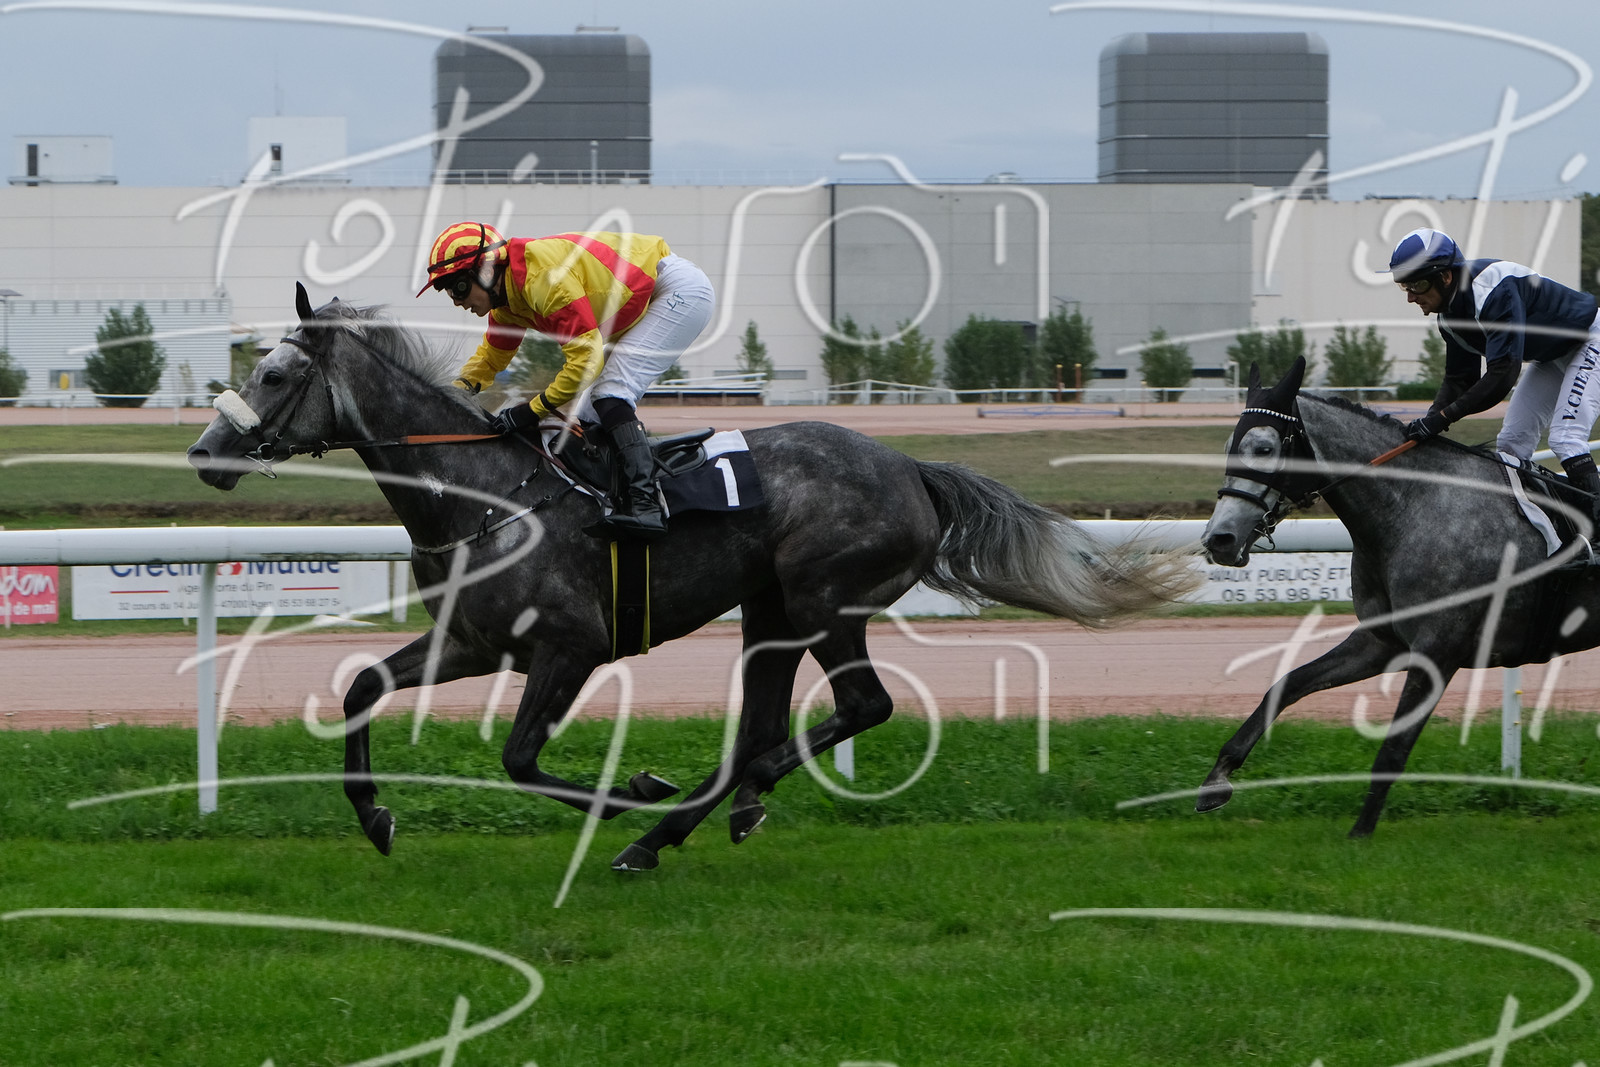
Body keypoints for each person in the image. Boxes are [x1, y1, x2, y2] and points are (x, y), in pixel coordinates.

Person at [418, 221, 715, 539]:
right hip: (640, 301)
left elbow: (586, 362)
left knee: (611, 393)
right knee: (586, 420)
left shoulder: (543, 280)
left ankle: (645, 506)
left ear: (487, 271)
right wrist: (448, 395)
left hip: (675, 291)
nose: (456, 300)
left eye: (459, 287)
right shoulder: (508, 302)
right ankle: (617, 500)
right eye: (448, 292)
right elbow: (491, 359)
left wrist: (531, 410)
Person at [1389, 226, 1600, 522]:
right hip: (1552, 356)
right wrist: (1430, 419)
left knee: (1566, 439)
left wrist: (1444, 418)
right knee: (1511, 447)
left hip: (1591, 338)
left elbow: (1502, 375)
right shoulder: (1449, 318)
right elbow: (1460, 380)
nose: (1411, 297)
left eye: (1418, 284)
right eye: (1405, 287)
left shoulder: (1491, 290)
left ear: (1445, 276)